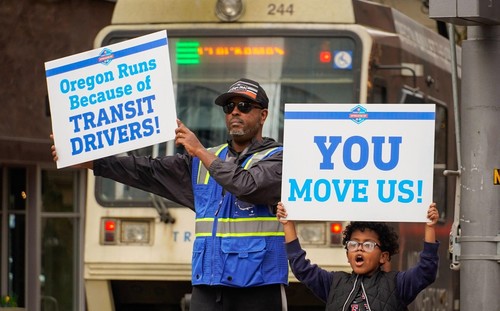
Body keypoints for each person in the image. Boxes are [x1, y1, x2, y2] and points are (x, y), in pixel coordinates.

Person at [51, 78, 288, 311]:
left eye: (244, 106)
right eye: (229, 107)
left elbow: (247, 186)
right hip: (208, 286)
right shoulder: (200, 162)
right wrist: (93, 162)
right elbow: (147, 170)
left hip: (260, 286)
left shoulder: (277, 158)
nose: (235, 112)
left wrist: (199, 151)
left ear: (263, 115)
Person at [276, 202, 440, 311]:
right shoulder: (333, 283)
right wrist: (288, 224)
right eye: (353, 244)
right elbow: (301, 267)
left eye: (368, 245)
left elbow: (426, 270)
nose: (359, 249)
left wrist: (430, 227)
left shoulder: (398, 284)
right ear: (348, 255)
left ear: (383, 256)